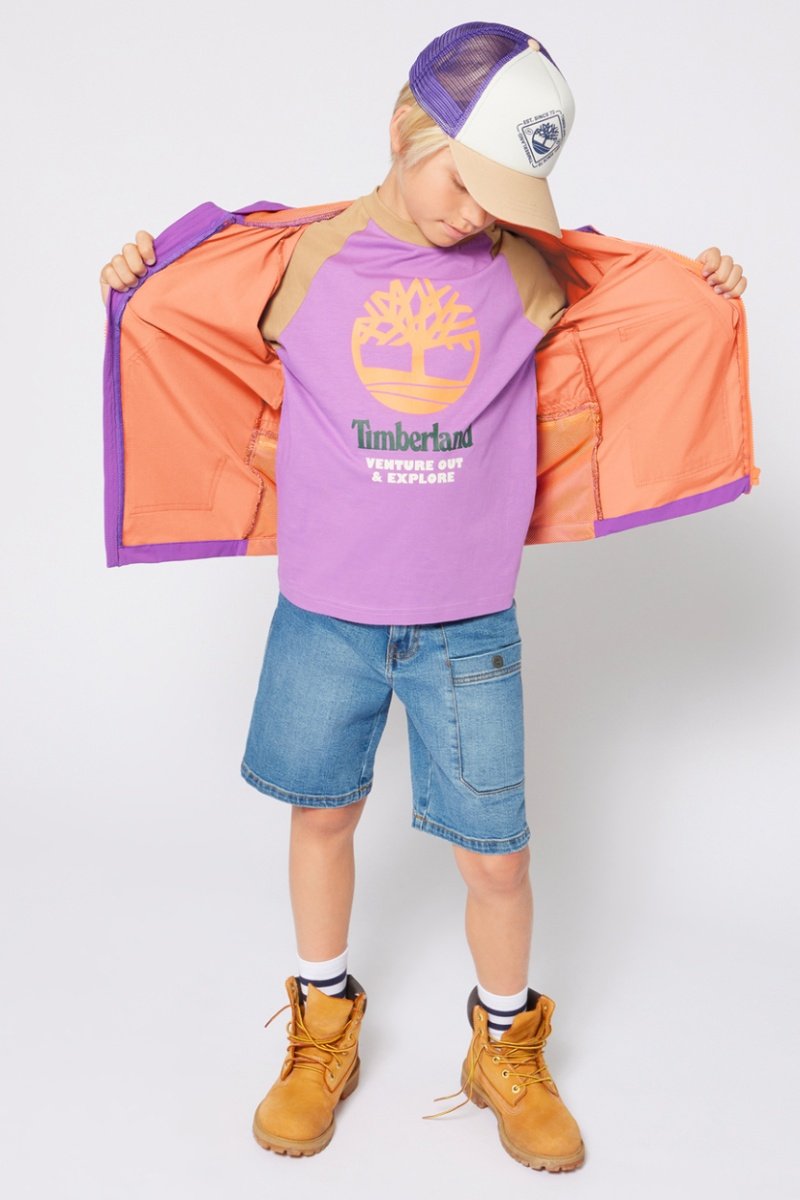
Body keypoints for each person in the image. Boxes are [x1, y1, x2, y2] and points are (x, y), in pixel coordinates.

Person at [98, 22, 748, 1174]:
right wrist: (136, 276)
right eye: (463, 180)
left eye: (503, 195)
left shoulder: (523, 271)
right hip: (325, 617)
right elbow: (177, 314)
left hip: (466, 629)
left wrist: (698, 291)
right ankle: (321, 1022)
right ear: (405, 132)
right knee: (321, 818)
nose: (474, 212)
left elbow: (631, 312)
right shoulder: (304, 261)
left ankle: (503, 1044)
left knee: (496, 857)